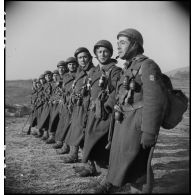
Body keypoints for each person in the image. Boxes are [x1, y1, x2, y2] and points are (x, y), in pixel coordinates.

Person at [92, 28, 167, 193]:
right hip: (124, 122)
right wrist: (108, 104)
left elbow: (155, 101)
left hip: (137, 125)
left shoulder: (148, 66)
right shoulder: (128, 67)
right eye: (118, 42)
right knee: (128, 163)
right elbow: (120, 92)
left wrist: (149, 132)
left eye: (123, 42)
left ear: (135, 45)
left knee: (139, 167)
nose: (118, 46)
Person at [74, 40, 121, 177]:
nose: (102, 54)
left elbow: (117, 91)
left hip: (104, 113)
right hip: (91, 111)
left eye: (106, 51)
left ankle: (107, 176)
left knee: (100, 142)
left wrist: (107, 105)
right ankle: (92, 167)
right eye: (99, 52)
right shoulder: (95, 71)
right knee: (89, 139)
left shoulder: (114, 70)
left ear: (111, 53)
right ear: (95, 54)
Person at [62, 47, 95, 163]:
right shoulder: (80, 73)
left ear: (90, 58)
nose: (83, 60)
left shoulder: (94, 72)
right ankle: (74, 155)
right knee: (76, 131)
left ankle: (90, 163)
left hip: (89, 108)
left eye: (85, 57)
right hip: (78, 107)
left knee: (87, 135)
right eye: (80, 58)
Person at [53, 57, 78, 153]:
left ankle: (72, 151)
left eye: (73, 64)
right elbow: (65, 91)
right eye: (69, 64)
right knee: (65, 125)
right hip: (66, 104)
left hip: (74, 104)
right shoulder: (66, 76)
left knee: (73, 127)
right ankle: (65, 146)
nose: (71, 66)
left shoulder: (78, 75)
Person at [45, 69, 64, 144]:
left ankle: (59, 140)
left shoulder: (62, 83)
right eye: (54, 76)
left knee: (59, 122)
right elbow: (52, 95)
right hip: (53, 105)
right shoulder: (53, 84)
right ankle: (52, 136)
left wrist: (59, 100)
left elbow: (64, 93)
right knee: (52, 120)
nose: (55, 77)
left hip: (60, 105)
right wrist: (52, 100)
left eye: (56, 75)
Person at [37, 70, 53, 141]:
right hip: (46, 104)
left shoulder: (54, 83)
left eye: (49, 75)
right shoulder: (45, 85)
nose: (48, 77)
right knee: (45, 119)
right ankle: (45, 134)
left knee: (51, 120)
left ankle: (52, 136)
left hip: (52, 104)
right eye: (46, 76)